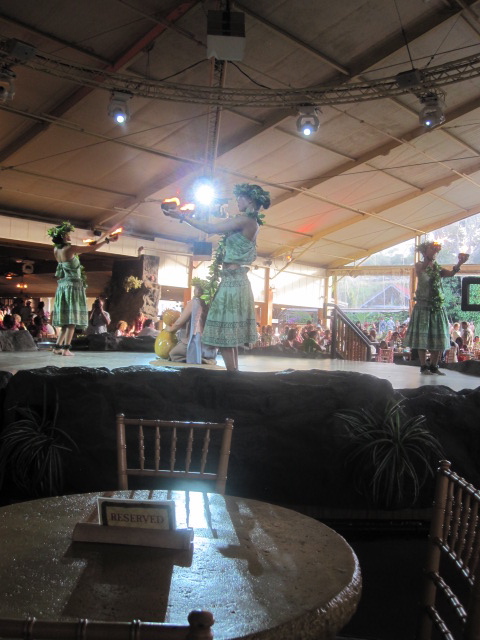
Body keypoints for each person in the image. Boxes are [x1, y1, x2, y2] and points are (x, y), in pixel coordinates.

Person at [163, 183, 270, 371]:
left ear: (250, 199)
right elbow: (221, 225)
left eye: (240, 198)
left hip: (233, 283)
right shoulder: (248, 222)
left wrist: (182, 216)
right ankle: (233, 373)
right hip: (232, 280)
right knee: (227, 334)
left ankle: (232, 375)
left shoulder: (246, 221)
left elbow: (210, 228)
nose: (237, 201)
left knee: (224, 332)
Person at [48, 221, 117, 356]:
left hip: (63, 286)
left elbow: (80, 252)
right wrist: (107, 241)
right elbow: (92, 249)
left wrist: (89, 245)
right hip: (73, 287)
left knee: (66, 322)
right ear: (63, 236)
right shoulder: (70, 248)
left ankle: (58, 347)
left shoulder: (57, 250)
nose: (69, 236)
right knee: (71, 321)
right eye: (68, 234)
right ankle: (66, 349)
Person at [403, 241, 469, 375]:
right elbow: (421, 270)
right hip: (423, 306)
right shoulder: (419, 264)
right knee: (422, 337)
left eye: (435, 250)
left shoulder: (438, 268)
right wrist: (428, 257)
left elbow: (451, 274)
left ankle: (434, 365)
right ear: (424, 251)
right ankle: (423, 366)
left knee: (439, 336)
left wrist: (459, 263)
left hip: (437, 306)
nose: (435, 252)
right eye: (431, 249)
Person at [165, 282, 217, 364]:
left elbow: (179, 322)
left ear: (198, 291)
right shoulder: (211, 303)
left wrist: (170, 329)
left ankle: (199, 359)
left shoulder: (194, 302)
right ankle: (205, 358)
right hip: (210, 347)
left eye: (195, 289)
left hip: (195, 341)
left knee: (173, 354)